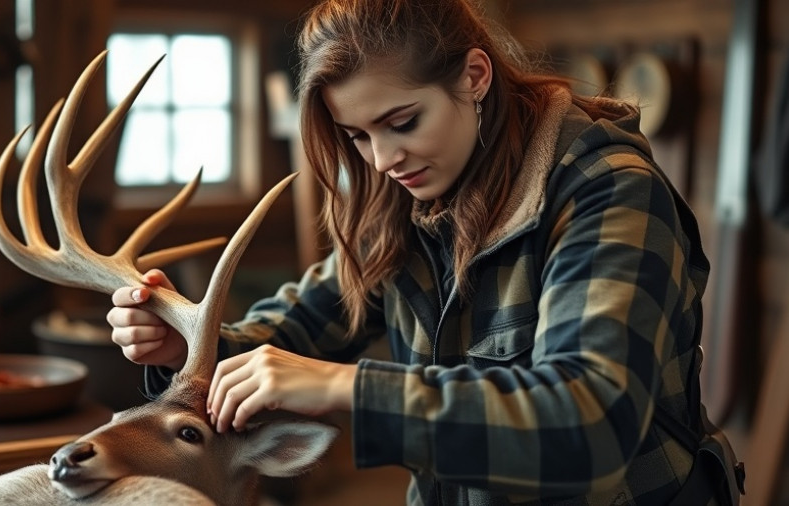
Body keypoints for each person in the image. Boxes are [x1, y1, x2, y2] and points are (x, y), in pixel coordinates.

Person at [107, 0, 739, 503]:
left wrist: (348, 389)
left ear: (474, 76)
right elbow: (299, 330)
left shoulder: (608, 191)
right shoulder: (406, 200)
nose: (383, 160)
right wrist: (188, 349)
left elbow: (589, 425)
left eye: (403, 122)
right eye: (357, 136)